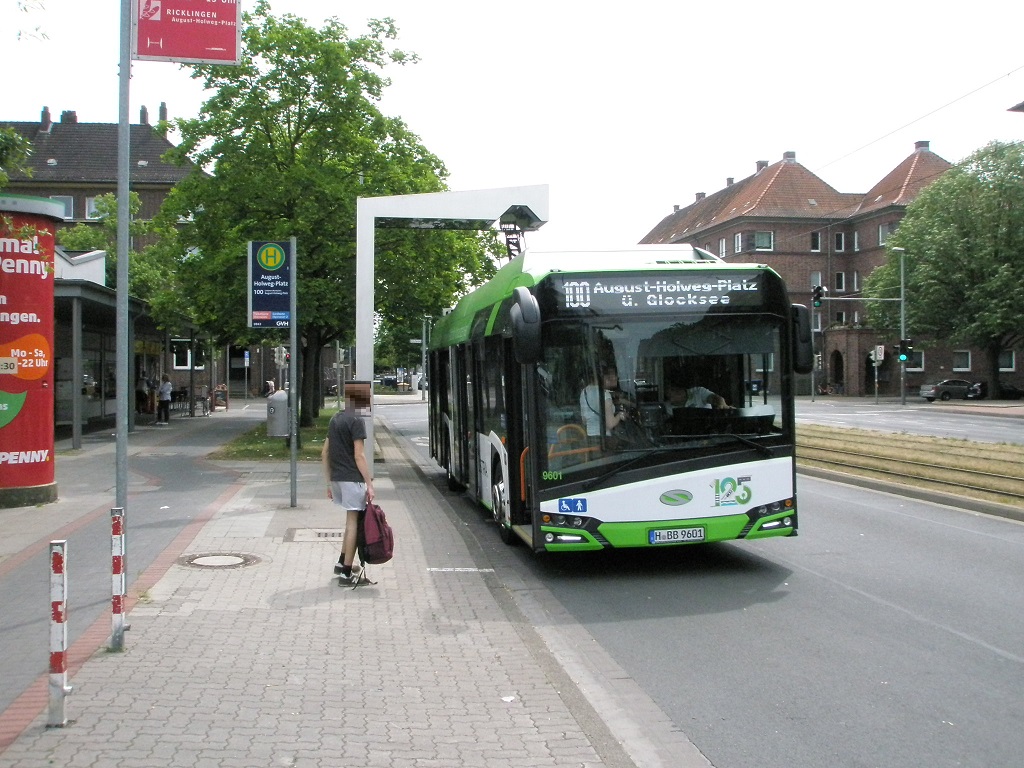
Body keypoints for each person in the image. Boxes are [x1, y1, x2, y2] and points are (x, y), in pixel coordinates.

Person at [322, 391, 375, 585]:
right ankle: (346, 572)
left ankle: (342, 562)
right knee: (353, 523)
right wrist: (369, 483)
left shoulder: (336, 419)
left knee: (349, 522)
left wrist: (328, 482)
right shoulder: (356, 422)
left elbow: (324, 452)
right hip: (352, 479)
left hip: (337, 478)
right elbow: (359, 455)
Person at [579, 365, 628, 438]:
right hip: (604, 439)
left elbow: (584, 420)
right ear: (602, 378)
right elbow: (610, 424)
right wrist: (620, 415)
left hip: (590, 437)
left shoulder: (584, 392)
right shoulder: (605, 395)